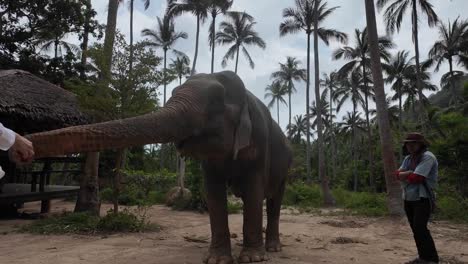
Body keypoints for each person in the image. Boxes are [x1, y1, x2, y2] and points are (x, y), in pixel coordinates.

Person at [395, 132, 439, 264]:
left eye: (414, 143)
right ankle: (423, 257)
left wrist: (406, 174)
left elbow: (418, 178)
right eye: (408, 143)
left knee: (420, 228)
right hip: (408, 197)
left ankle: (432, 259)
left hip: (423, 198)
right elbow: (397, 174)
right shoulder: (408, 159)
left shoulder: (428, 157)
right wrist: (408, 173)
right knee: (415, 229)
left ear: (421, 144)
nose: (410, 146)